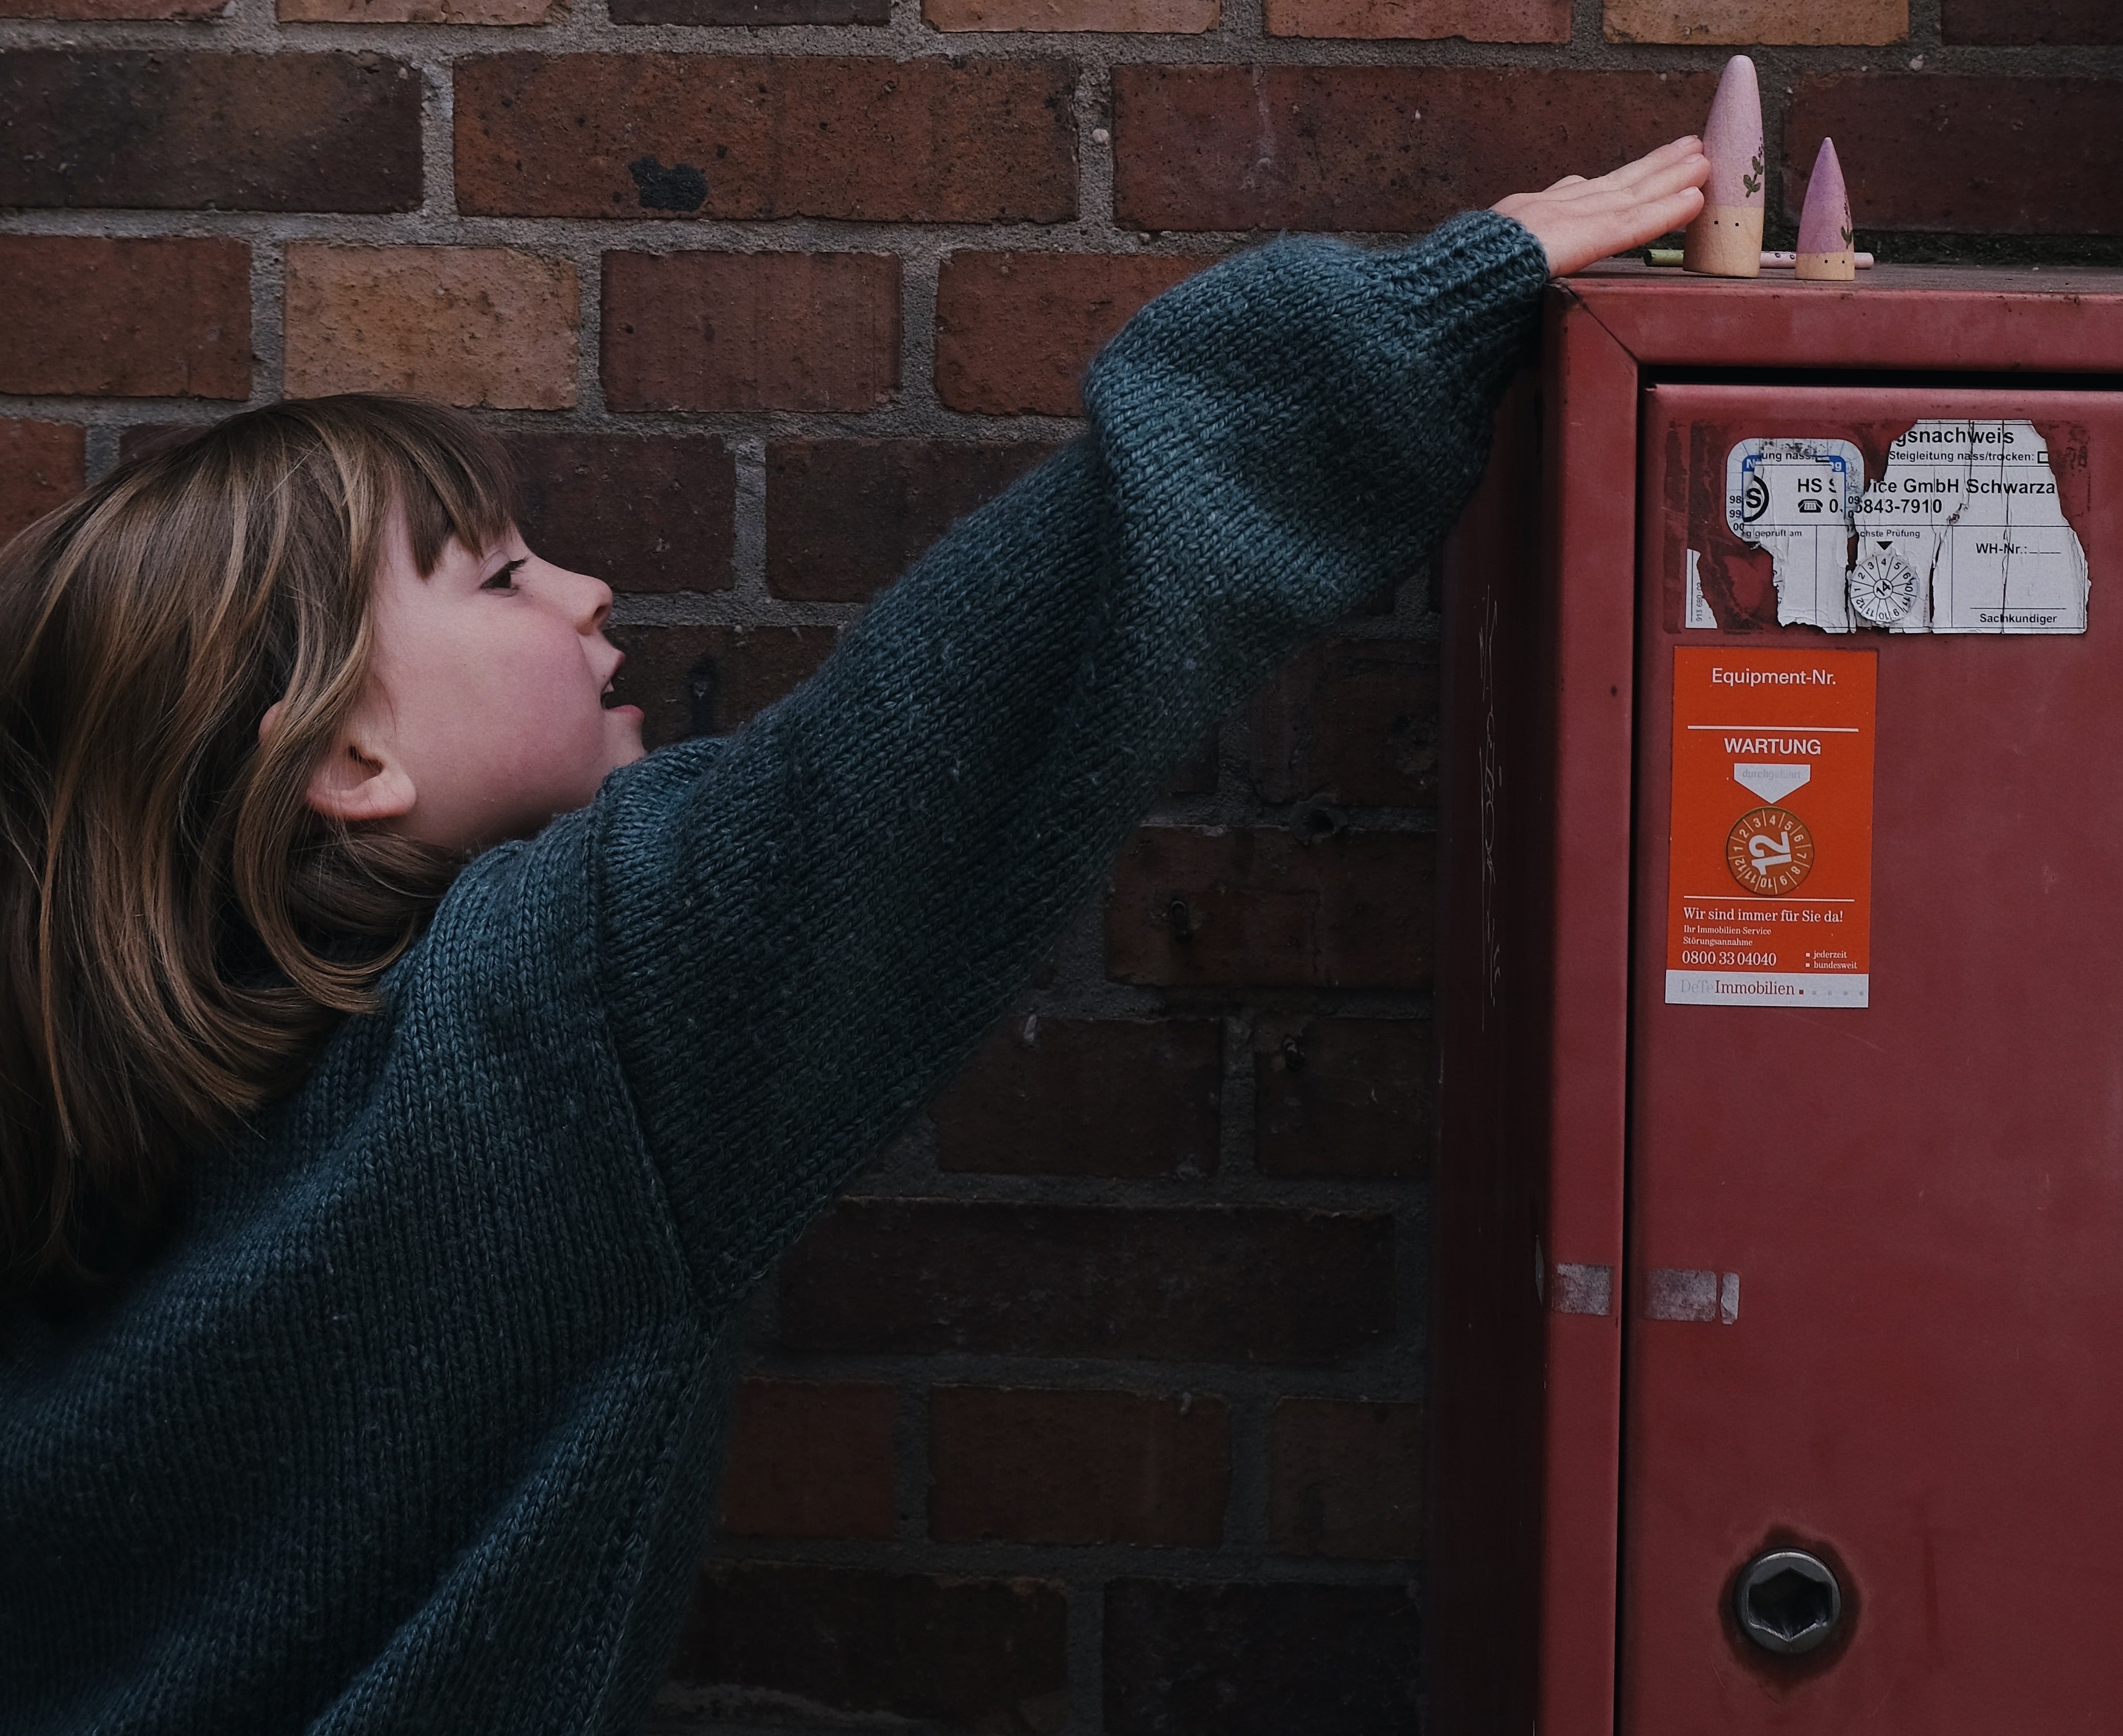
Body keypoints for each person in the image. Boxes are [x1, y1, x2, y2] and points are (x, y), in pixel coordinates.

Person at [0, 139, 1703, 1735]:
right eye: (501, 578)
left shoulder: (79, 1118)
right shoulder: (555, 1023)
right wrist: (1408, 320)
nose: (589, 592)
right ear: (347, 760)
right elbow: (950, 716)